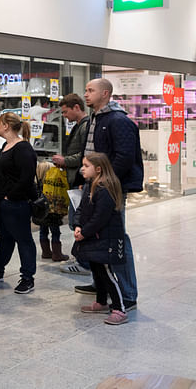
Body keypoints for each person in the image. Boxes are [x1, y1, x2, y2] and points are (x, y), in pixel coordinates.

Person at [77, 78, 143, 311]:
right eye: (85, 90)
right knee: (97, 235)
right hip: (94, 185)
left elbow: (124, 157)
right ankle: (103, 285)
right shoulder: (96, 118)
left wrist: (105, 182)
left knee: (115, 238)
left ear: (105, 93)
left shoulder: (118, 120)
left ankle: (127, 293)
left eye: (90, 90)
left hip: (109, 188)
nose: (86, 94)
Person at [72, 153, 128, 325]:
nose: (82, 168)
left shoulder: (105, 189)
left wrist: (85, 231)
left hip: (106, 238)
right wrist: (78, 225)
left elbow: (100, 217)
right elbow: (81, 208)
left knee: (106, 272)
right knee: (97, 270)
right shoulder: (90, 185)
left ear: (98, 169)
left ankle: (120, 309)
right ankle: (101, 302)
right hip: (94, 237)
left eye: (86, 165)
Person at [0, 112, 38, 294]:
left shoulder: (22, 148)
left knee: (23, 239)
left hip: (16, 203)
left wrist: (11, 196)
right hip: (4, 202)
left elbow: (27, 177)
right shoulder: (5, 145)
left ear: (6, 126)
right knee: (6, 238)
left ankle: (27, 277)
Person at [52, 93, 91, 275]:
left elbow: (84, 155)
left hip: (79, 181)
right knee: (76, 221)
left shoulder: (85, 127)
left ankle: (84, 262)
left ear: (77, 107)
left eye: (66, 112)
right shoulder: (80, 126)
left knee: (78, 222)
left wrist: (65, 160)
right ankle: (82, 259)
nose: (64, 116)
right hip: (77, 180)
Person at [36, 161, 69, 262]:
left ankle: (46, 252)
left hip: (42, 213)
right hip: (53, 214)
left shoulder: (38, 184)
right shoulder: (53, 185)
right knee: (55, 232)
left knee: (43, 231)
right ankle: (57, 254)